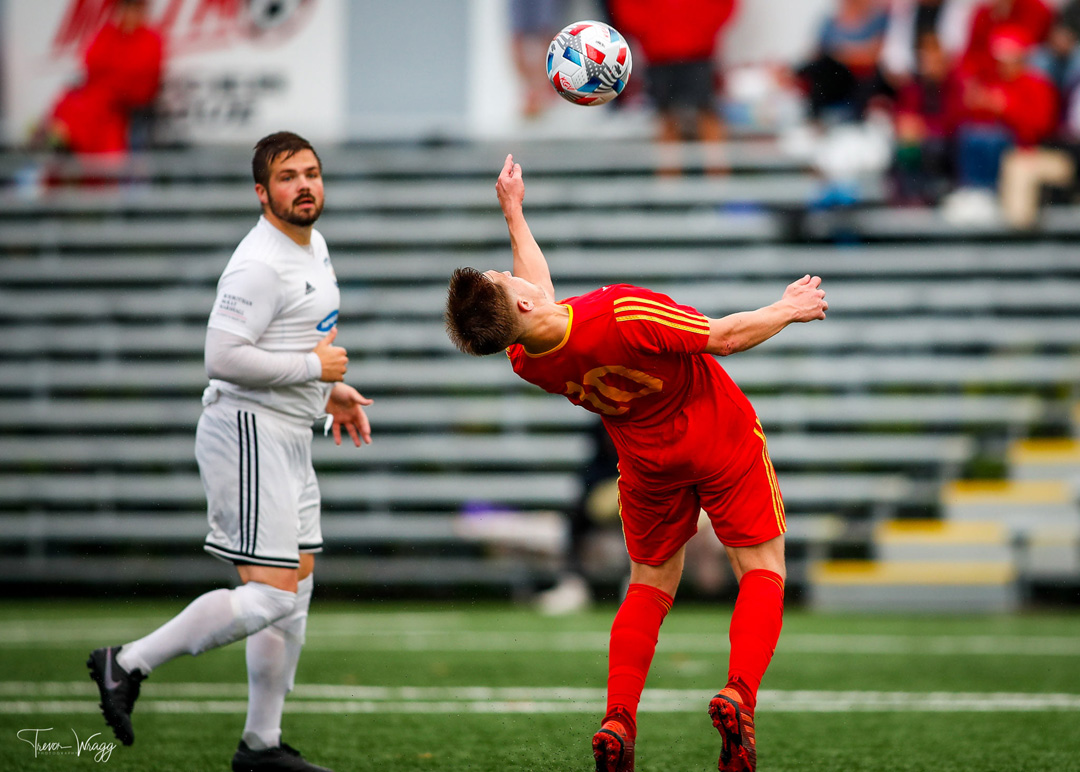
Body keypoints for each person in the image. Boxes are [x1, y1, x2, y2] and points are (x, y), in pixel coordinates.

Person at [444, 155, 828, 772]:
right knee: (762, 568)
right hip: (718, 435)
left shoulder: (525, 359)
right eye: (504, 277)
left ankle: (619, 717)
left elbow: (536, 297)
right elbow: (725, 337)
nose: (511, 272)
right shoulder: (623, 312)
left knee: (649, 584)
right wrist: (788, 307)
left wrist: (514, 212)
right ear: (521, 304)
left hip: (646, 463)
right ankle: (739, 694)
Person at [87, 131, 373, 772]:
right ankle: (126, 663)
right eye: (287, 177)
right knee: (270, 594)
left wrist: (327, 392)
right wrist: (314, 369)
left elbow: (287, 341)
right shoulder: (258, 263)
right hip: (247, 430)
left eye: (311, 172)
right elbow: (221, 357)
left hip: (288, 429)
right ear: (261, 193)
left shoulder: (313, 244)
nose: (304, 185)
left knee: (295, 588)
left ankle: (260, 745)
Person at [42, 0, 164, 156]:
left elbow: (145, 82)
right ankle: (64, 144)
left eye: (134, 9)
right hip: (101, 97)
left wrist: (115, 82)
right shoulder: (107, 34)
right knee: (70, 105)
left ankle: (80, 150)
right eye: (125, 8)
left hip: (123, 104)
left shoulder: (151, 39)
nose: (129, 14)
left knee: (93, 115)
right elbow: (91, 62)